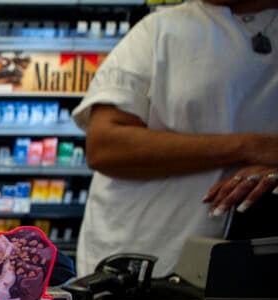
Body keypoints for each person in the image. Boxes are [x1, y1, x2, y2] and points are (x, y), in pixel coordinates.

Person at [72, 0, 278, 276]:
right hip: (139, 262)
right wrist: (250, 147)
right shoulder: (159, 30)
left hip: (247, 270)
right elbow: (105, 147)